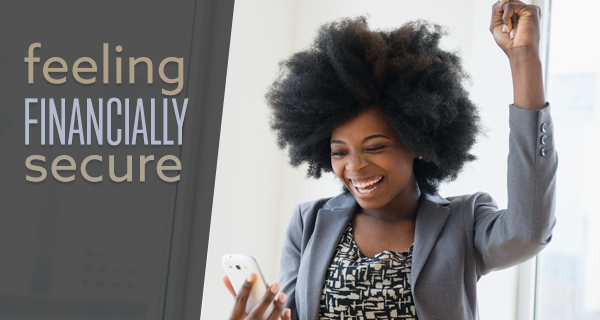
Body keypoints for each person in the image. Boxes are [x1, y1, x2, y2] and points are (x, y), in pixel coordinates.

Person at [223, 0, 556, 319]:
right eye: (340, 151)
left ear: (417, 142)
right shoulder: (307, 224)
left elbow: (529, 231)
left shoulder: (463, 223)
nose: (354, 166)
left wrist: (523, 57)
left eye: (375, 147)